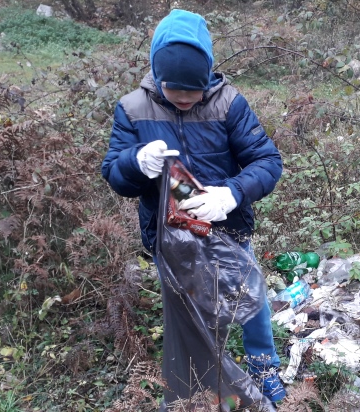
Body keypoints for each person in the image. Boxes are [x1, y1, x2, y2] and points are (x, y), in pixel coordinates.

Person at [100, 9, 286, 407]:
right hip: (173, 242)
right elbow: (115, 175)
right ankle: (207, 385)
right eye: (175, 94)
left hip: (227, 229)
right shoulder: (133, 109)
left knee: (251, 305)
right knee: (191, 319)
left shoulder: (229, 104)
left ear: (208, 79)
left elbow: (268, 162)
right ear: (157, 75)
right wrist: (136, 161)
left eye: (194, 94)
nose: (185, 102)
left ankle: (264, 369)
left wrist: (230, 194)